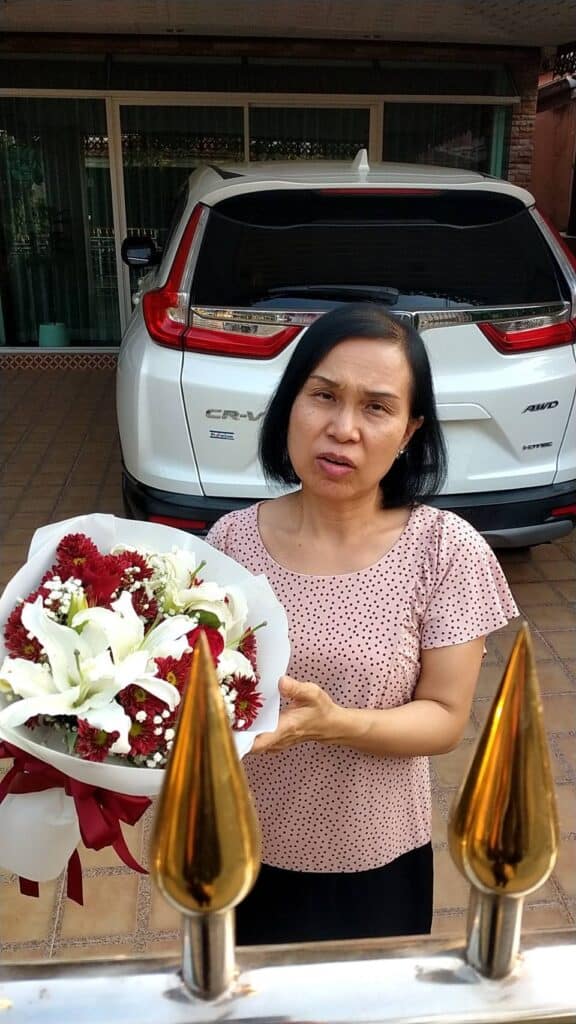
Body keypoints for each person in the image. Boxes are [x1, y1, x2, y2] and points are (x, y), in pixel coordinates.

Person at [206, 304, 518, 945]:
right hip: (242, 843)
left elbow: (445, 718)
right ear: (290, 405)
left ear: (409, 431)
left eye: (377, 407)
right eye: (323, 395)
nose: (342, 428)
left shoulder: (444, 549)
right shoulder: (229, 543)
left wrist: (335, 724)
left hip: (377, 859)